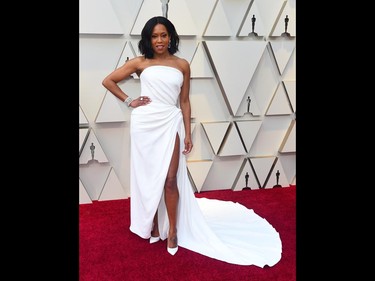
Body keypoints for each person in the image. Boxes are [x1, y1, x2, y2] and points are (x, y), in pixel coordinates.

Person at [102, 16, 282, 266]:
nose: (159, 40)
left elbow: (184, 101)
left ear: (171, 36)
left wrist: (187, 133)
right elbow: (108, 80)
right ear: (148, 39)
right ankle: (152, 224)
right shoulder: (139, 63)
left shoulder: (182, 65)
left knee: (170, 178)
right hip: (145, 125)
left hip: (170, 122)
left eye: (163, 35)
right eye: (154, 36)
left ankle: (173, 230)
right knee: (148, 177)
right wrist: (129, 101)